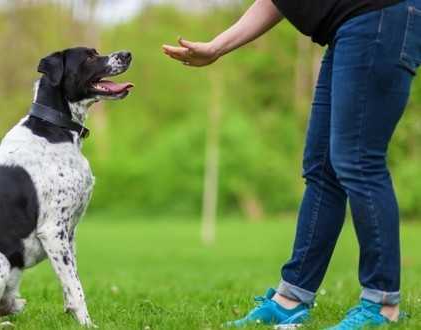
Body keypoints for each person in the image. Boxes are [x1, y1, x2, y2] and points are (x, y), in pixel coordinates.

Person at [163, 0, 418, 329]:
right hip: (348, 29)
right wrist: (216, 47)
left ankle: (382, 303)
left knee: (358, 160)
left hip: (378, 16)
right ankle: (292, 298)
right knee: (322, 169)